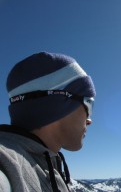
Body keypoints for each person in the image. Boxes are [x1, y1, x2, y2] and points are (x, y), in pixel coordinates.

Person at [0, 52, 96, 192]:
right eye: (89, 104)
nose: (89, 120)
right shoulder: (9, 166)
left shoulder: (48, 164)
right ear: (59, 104)